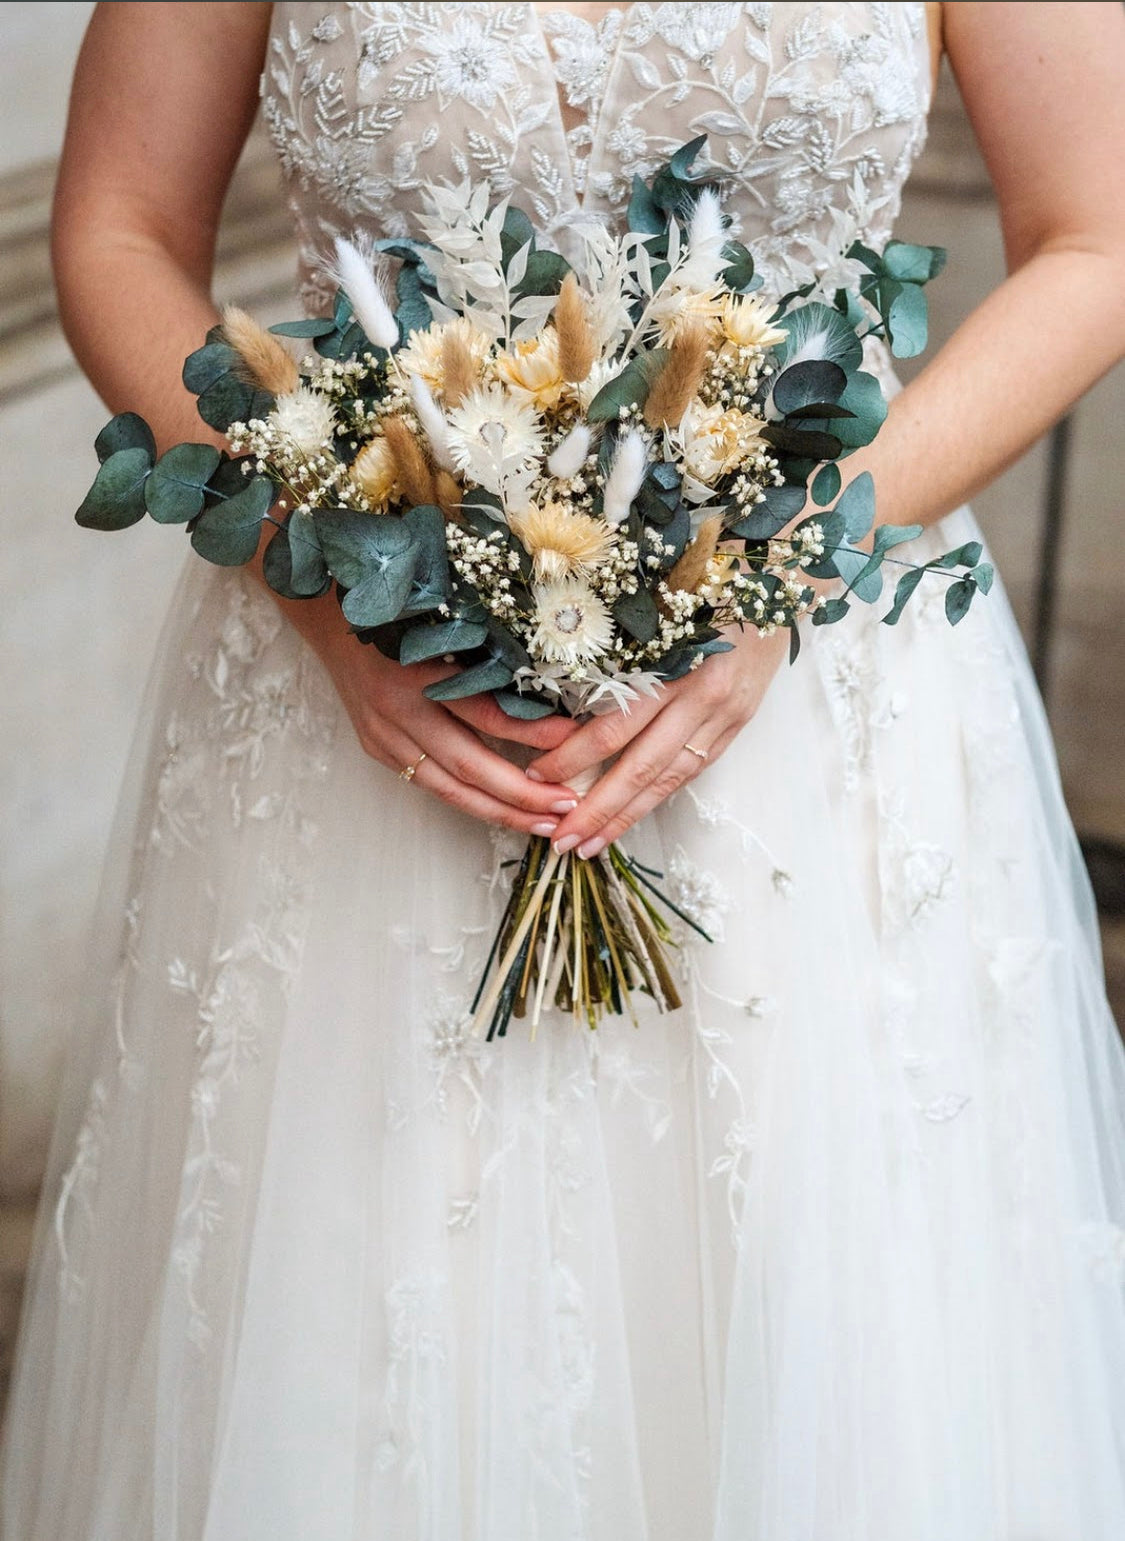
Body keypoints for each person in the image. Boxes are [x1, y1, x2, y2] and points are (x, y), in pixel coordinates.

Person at [5, 2, 1125, 1536]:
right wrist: (319, 571)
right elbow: (119, 222)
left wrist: (778, 576)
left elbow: (1097, 233)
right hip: (369, 713)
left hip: (811, 705)